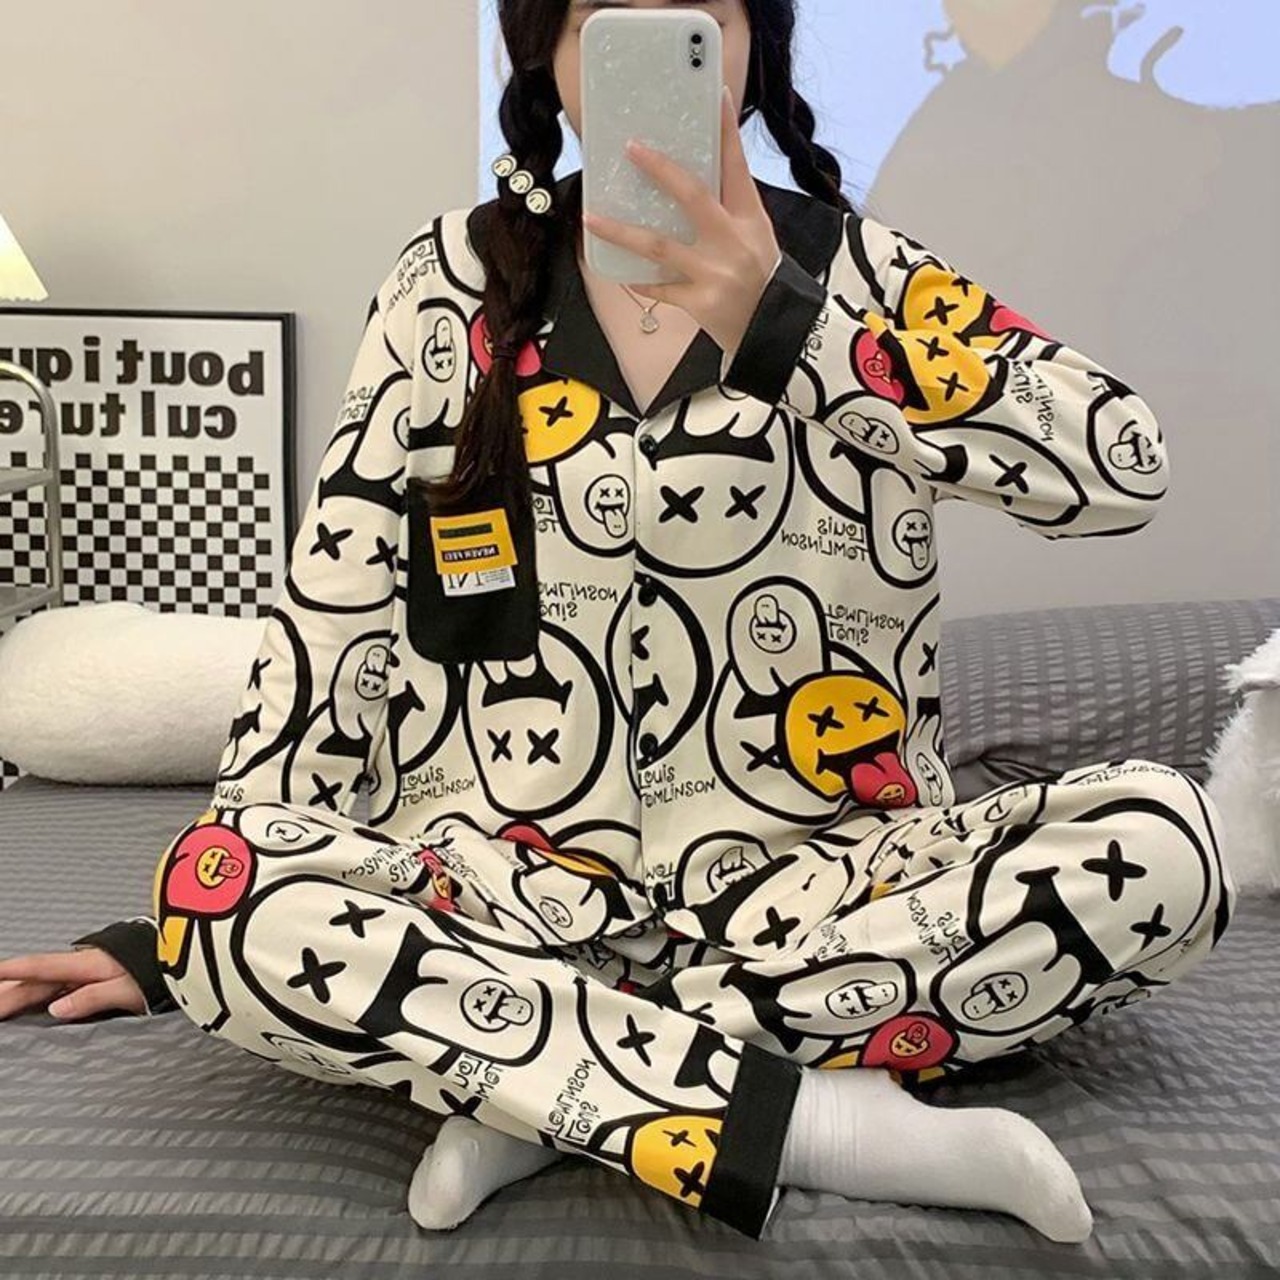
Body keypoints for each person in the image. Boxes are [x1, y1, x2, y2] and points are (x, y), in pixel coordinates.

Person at [0, 0, 1237, 1246]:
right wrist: (177, 932)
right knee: (214, 887)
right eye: (608, 16)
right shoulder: (444, 285)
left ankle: (541, 1085)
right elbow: (334, 611)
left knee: (1169, 838)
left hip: (822, 889)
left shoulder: (867, 278)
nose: (655, 43)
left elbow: (1120, 464)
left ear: (755, 43)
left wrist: (785, 326)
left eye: (697, 14)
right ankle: (808, 1118)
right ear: (545, 50)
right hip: (501, 893)